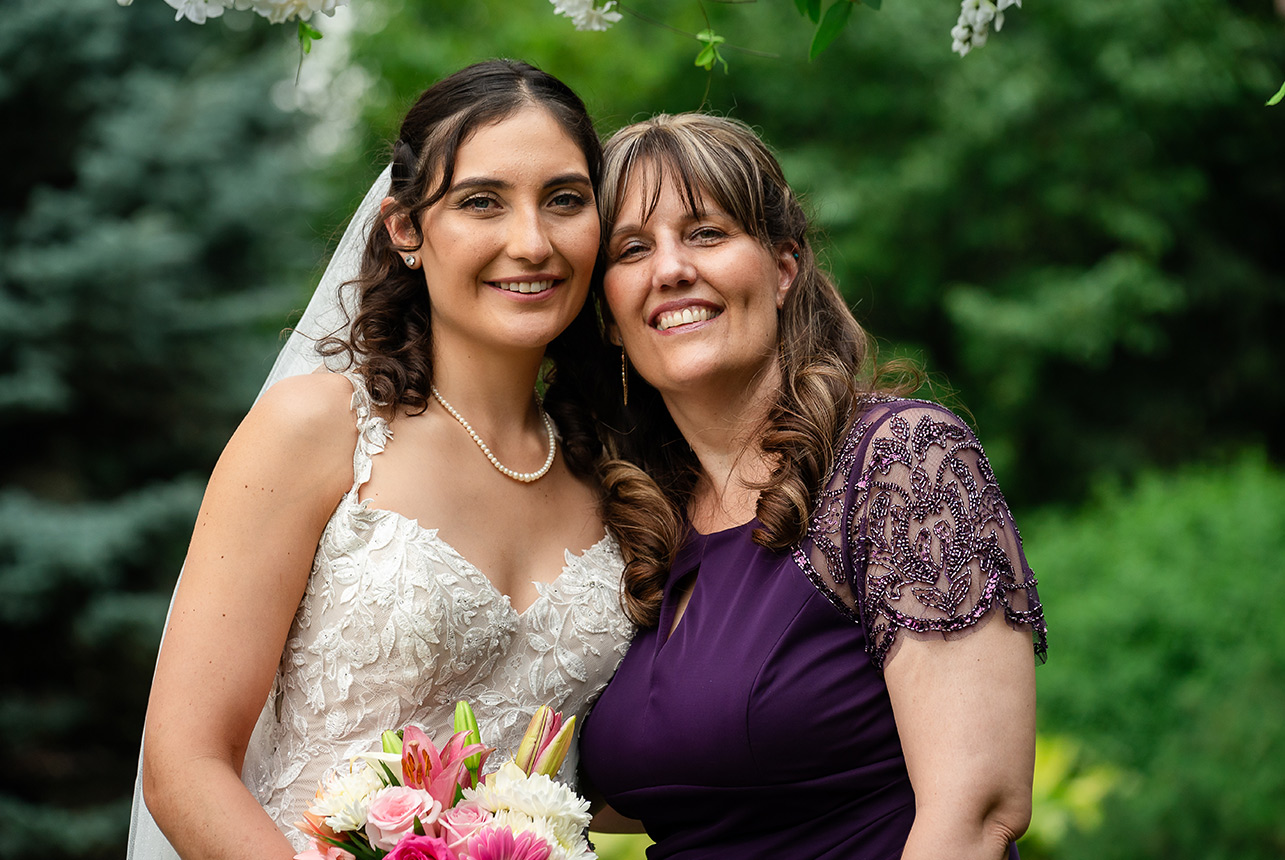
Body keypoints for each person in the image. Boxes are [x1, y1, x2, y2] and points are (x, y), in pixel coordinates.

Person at [128, 60, 635, 860]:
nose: (531, 242)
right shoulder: (320, 427)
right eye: (481, 202)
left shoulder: (611, 472)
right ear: (406, 229)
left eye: (565, 200)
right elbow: (184, 767)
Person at [578, 113, 1048, 859]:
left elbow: (977, 809)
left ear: (783, 266)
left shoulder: (900, 463)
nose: (668, 268)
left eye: (704, 233)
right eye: (632, 249)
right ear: (606, 312)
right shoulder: (632, 527)